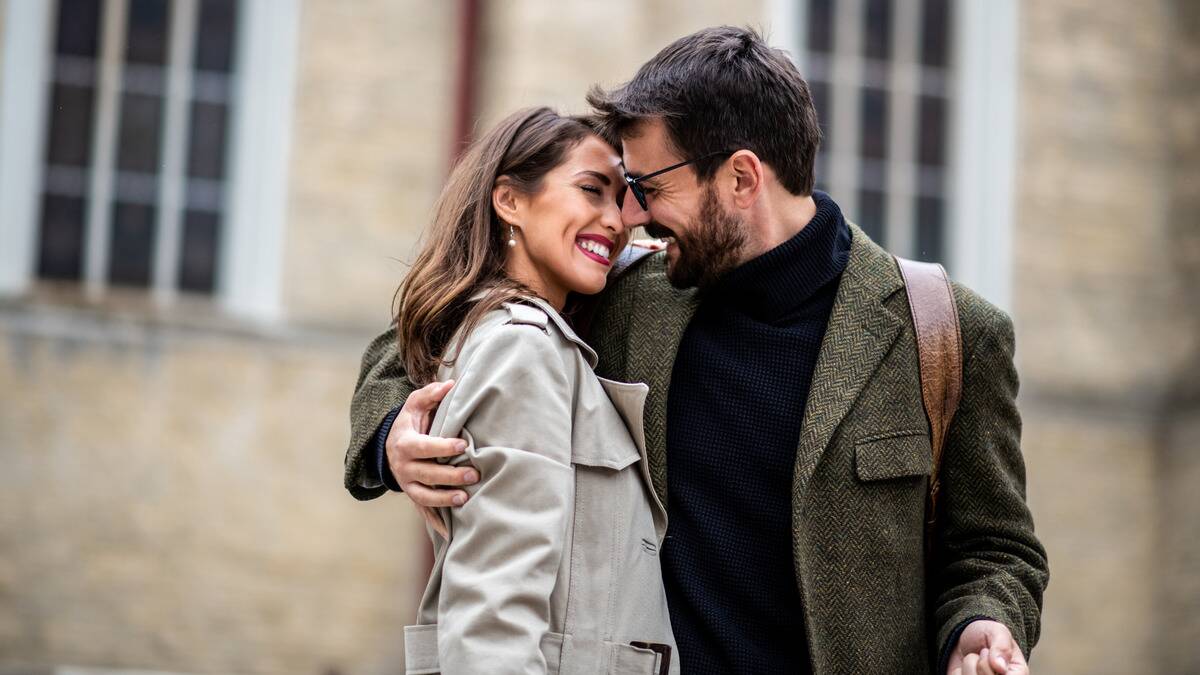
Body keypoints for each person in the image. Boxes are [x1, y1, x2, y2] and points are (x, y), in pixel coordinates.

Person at [346, 27, 1048, 675]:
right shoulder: (627, 294)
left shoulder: (950, 332)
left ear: (742, 178)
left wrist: (983, 621)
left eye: (649, 188)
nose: (633, 215)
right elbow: (432, 324)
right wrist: (393, 436)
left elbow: (996, 547)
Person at [374, 106, 678, 675]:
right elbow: (495, 604)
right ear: (509, 200)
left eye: (622, 200)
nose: (616, 221)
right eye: (592, 190)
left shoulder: (506, 336)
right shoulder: (524, 350)